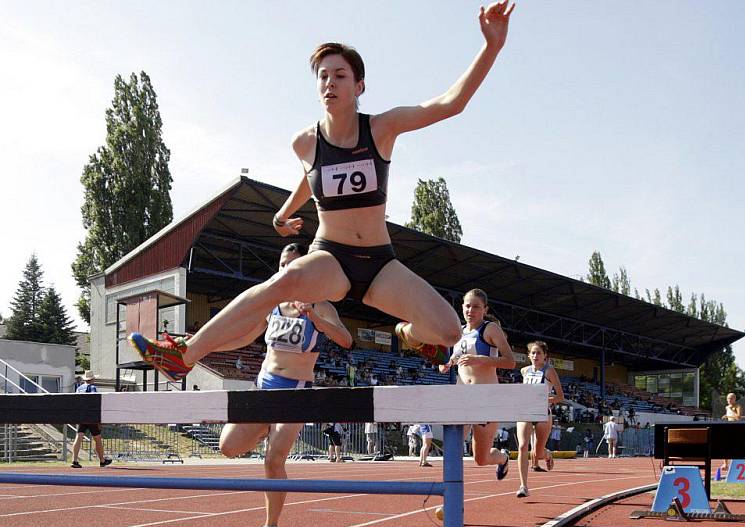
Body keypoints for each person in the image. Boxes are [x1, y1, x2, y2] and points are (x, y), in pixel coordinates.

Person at [128, 2, 516, 383]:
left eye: (340, 75)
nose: (330, 82)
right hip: (331, 254)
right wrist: (283, 213)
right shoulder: (305, 142)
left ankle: (407, 334)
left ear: (359, 85)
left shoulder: (382, 128)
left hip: (379, 262)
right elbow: (310, 177)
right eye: (323, 76)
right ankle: (184, 353)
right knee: (276, 286)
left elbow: (451, 104)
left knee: (449, 332)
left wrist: (491, 46)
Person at [217, 243, 352, 527]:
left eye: (292, 265)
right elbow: (243, 336)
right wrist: (203, 346)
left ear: (304, 270)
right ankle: (266, 426)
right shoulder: (272, 303)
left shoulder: (322, 304)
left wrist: (316, 319)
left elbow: (346, 340)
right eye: (281, 264)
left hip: (295, 393)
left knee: (273, 460)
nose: (285, 271)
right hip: (263, 387)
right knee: (228, 447)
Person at [440, 289, 516, 478]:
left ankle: (502, 458)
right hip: (462, 397)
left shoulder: (490, 329)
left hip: (486, 398)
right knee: (452, 447)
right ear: (462, 307)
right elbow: (453, 359)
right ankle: (451, 499)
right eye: (467, 306)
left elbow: (510, 361)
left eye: (476, 307)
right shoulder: (457, 332)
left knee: (480, 459)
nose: (471, 310)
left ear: (484, 309)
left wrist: (480, 359)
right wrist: (446, 364)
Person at [515, 341, 564, 498]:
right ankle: (523, 486)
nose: (535, 356)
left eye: (539, 353)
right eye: (533, 353)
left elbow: (560, 396)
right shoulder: (524, 371)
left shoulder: (549, 371)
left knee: (537, 453)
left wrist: (543, 399)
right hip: (525, 412)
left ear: (545, 356)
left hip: (542, 413)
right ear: (528, 355)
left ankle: (547, 454)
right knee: (523, 447)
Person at [71, 371, 112, 468]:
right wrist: (98, 419)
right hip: (91, 417)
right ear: (92, 379)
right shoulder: (92, 387)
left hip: (82, 416)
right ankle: (102, 460)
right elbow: (94, 401)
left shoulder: (79, 388)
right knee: (97, 438)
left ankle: (74, 460)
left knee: (79, 436)